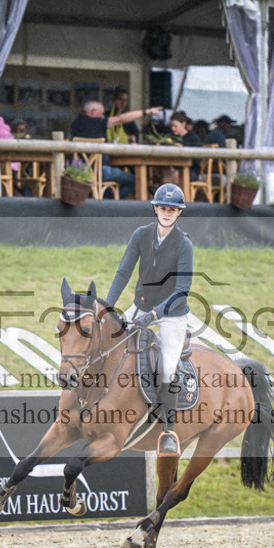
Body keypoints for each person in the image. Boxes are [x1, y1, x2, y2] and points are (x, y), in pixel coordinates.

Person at [105, 184, 193, 456]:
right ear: (156, 208)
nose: (167, 213)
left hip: (171, 315)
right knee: (108, 345)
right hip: (140, 306)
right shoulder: (141, 235)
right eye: (163, 208)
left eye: (173, 209)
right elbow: (123, 272)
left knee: (167, 368)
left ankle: (168, 432)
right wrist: (106, 307)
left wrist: (154, 315)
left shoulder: (184, 244)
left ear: (179, 213)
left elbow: (182, 290)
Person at [71, 100, 162, 199]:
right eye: (101, 114)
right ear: (93, 112)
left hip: (79, 170)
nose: (103, 117)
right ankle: (111, 202)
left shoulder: (75, 124)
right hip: (98, 171)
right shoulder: (97, 122)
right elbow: (121, 119)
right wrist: (146, 112)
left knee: (110, 185)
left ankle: (106, 201)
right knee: (135, 181)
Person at [167, 110, 202, 180]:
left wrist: (183, 148)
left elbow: (198, 158)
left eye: (175, 126)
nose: (172, 128)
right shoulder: (170, 137)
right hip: (171, 168)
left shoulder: (193, 138)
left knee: (172, 175)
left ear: (183, 124)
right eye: (171, 126)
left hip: (190, 170)